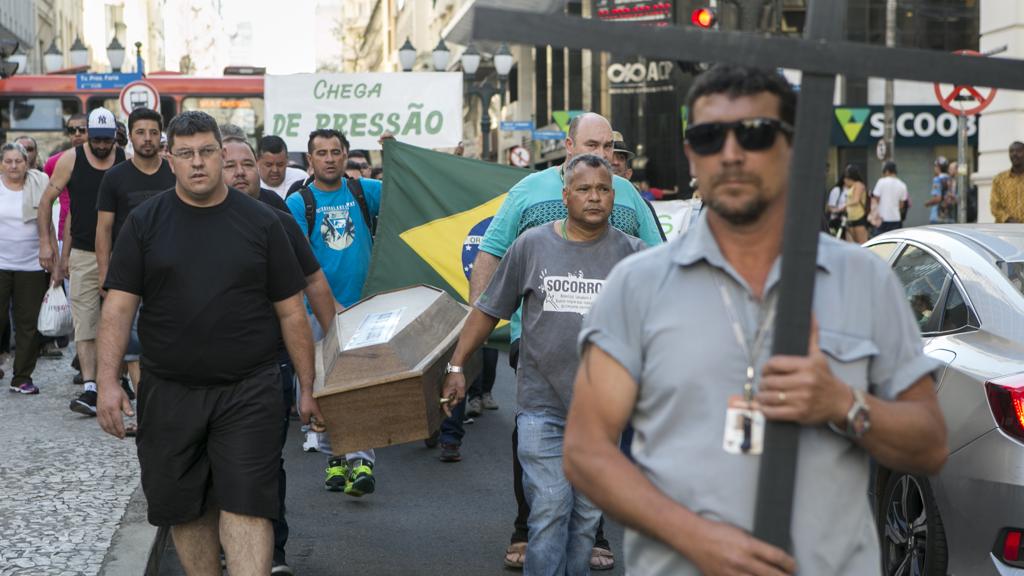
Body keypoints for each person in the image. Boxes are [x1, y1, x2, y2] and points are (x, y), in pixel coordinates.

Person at [563, 64, 948, 576]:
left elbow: (930, 443)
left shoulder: (865, 280)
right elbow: (586, 450)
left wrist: (842, 403)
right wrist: (694, 537)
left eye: (755, 134)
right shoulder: (637, 286)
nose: (731, 153)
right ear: (692, 154)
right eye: (710, 136)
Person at [95, 111, 322, 576]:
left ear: (222, 153)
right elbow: (118, 307)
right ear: (169, 159)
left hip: (249, 389)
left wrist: (308, 385)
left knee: (247, 504)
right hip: (168, 389)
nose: (197, 162)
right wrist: (107, 383)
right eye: (186, 154)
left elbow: (291, 311)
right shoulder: (144, 222)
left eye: (206, 151)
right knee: (185, 506)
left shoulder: (264, 222)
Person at [471, 112, 663, 571]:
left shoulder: (627, 194)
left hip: (607, 357)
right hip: (537, 338)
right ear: (569, 145)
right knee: (537, 440)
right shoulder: (528, 190)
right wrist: (481, 323)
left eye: (608, 146)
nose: (602, 154)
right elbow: (491, 252)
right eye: (592, 145)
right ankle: (528, 526)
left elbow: (659, 262)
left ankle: (590, 532)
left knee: (593, 458)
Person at [223, 135, 336, 575]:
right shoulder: (188, 215)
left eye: (246, 164)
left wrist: (336, 350)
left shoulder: (277, 217)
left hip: (266, 366)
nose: (239, 173)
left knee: (265, 464)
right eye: (229, 164)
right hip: (203, 371)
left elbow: (315, 283)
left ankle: (272, 554)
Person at [285, 128, 381, 496]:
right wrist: (324, 304)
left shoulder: (363, 191)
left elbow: (406, 193)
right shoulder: (299, 203)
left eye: (335, 152)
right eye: (321, 153)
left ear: (345, 156)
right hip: (315, 312)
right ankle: (336, 458)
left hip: (363, 308)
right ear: (310, 160)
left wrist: (397, 154)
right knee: (323, 387)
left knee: (361, 385)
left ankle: (362, 460)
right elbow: (296, 260)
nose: (329, 158)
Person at [37, 107, 126, 416]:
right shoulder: (71, 159)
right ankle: (90, 387)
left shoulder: (126, 159)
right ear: (88, 134)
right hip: (85, 253)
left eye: (106, 140)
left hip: (121, 253)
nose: (101, 145)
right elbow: (47, 202)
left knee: (120, 320)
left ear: (115, 136)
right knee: (85, 323)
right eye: (96, 139)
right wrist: (49, 246)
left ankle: (118, 379)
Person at [95, 108, 176, 399]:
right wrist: (104, 273)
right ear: (130, 136)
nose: (147, 138)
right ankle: (147, 404)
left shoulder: (174, 173)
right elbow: (104, 228)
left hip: (171, 271)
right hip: (128, 272)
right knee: (132, 345)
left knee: (168, 338)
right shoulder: (115, 177)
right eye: (141, 132)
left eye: (153, 132)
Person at [0, 142, 50, 394]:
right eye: (8, 161)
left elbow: (49, 222)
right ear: (1, 164)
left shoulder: (40, 183)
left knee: (28, 325)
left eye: (18, 161)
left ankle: (21, 377)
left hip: (31, 265)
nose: (13, 166)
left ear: (27, 163)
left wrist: (52, 254)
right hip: (0, 264)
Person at [990, 141, 1024, 223]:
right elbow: (995, 206)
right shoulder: (999, 179)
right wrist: (1008, 220)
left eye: (1019, 151)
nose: (1014, 154)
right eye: (1011, 151)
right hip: (1005, 228)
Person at [870, 161, 908, 234]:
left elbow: (876, 199)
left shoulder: (881, 182)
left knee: (881, 239)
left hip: (882, 218)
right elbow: (901, 205)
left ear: (887, 171)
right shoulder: (902, 185)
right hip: (896, 219)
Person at [842, 164, 869, 243]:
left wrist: (845, 205)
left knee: (862, 243)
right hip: (850, 217)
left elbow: (856, 200)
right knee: (853, 243)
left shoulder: (858, 185)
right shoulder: (851, 186)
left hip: (859, 217)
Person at [925, 156, 955, 224]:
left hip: (937, 216)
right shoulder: (951, 179)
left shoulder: (937, 179)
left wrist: (928, 203)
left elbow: (938, 198)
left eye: (935, 166)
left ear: (938, 167)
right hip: (949, 216)